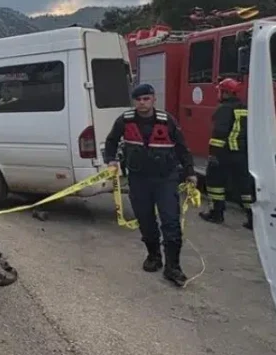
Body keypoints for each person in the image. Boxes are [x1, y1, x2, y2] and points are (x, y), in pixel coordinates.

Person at [103, 83, 197, 286]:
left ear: (154, 99)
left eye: (146, 99)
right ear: (134, 101)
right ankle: (154, 256)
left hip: (166, 179)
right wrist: (111, 160)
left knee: (171, 222)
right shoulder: (124, 120)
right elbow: (111, 142)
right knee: (145, 221)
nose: (142, 103)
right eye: (138, 99)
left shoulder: (167, 120)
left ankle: (173, 267)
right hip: (139, 179)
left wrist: (190, 172)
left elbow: (182, 148)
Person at [199, 77, 254, 229]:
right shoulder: (245, 108)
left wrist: (213, 154)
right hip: (242, 154)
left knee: (215, 182)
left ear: (225, 92)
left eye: (220, 91)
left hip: (225, 152)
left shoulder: (224, 109)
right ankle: (253, 219)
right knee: (245, 187)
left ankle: (216, 214)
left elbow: (219, 133)